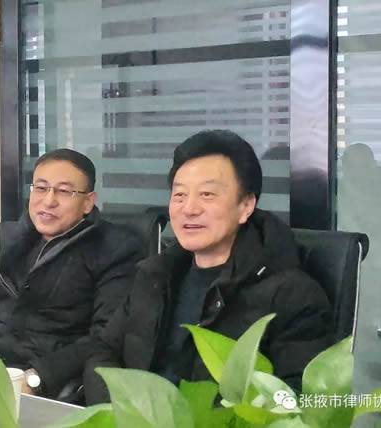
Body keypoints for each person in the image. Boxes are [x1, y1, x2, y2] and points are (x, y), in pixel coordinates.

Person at [82, 130, 334, 404]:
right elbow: (102, 350)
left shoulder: (292, 294)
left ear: (246, 205)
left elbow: (295, 399)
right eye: (179, 195)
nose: (189, 208)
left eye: (207, 194)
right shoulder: (155, 275)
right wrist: (124, 411)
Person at [0, 149, 144, 399]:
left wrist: (36, 378)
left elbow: (104, 336)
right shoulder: (14, 240)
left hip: (44, 378)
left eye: (64, 191)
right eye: (41, 188)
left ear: (88, 202)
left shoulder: (115, 249)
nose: (49, 201)